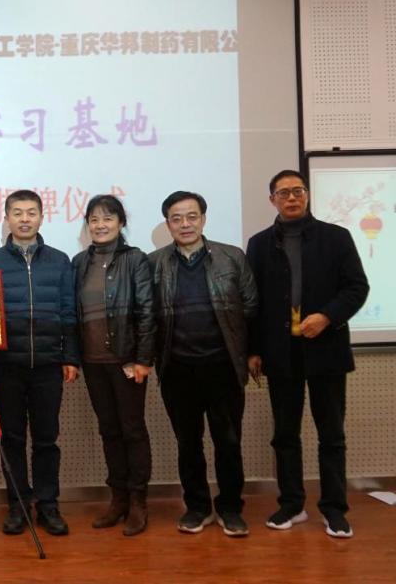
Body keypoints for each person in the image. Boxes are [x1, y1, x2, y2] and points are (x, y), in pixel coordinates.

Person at [246, 169, 368, 539]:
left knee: (331, 434)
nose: (291, 198)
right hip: (280, 353)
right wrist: (253, 350)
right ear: (272, 200)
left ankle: (334, 509)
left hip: (326, 350)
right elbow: (253, 303)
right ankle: (291, 504)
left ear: (307, 195)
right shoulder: (259, 244)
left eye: (297, 191)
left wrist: (327, 316)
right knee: (285, 434)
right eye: (283, 193)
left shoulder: (336, 237)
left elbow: (357, 287)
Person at [149, 191, 258, 537]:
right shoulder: (154, 263)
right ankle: (197, 507)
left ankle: (230, 507)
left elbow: (251, 308)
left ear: (203, 219)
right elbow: (146, 317)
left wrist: (252, 353)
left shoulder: (232, 257)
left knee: (228, 442)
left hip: (223, 366)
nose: (185, 224)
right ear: (168, 224)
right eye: (177, 218)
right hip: (177, 368)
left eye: (191, 216)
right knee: (188, 444)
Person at [0, 189, 79, 537]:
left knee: (47, 439)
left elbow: (68, 312)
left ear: (41, 217)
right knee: (12, 439)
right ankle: (18, 505)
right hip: (7, 365)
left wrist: (70, 356)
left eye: (31, 212)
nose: (24, 219)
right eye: (17, 213)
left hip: (49, 364)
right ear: (6, 218)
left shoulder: (60, 260)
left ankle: (48, 505)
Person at [72, 194, 154, 536]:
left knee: (132, 429)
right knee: (109, 429)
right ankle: (118, 499)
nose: (100, 225)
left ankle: (138, 502)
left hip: (126, 360)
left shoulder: (135, 259)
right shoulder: (79, 262)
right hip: (93, 362)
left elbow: (146, 310)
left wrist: (143, 358)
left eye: (107, 218)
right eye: (94, 219)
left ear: (121, 223)